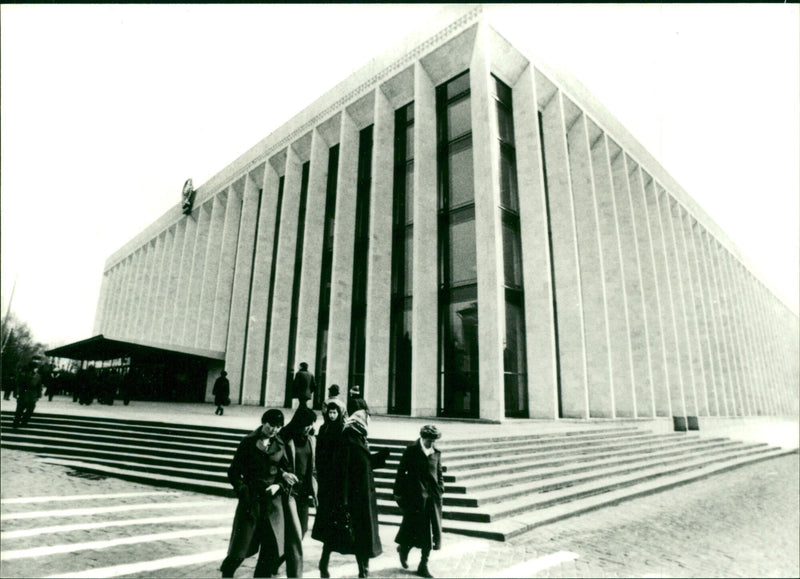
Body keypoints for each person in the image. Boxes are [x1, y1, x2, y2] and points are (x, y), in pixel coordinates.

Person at [221, 409, 298, 578]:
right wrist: (243, 491)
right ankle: (227, 572)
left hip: (272, 504)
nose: (274, 430)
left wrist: (279, 483)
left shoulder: (280, 444)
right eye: (271, 425)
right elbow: (233, 472)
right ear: (264, 422)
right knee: (240, 548)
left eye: (278, 427)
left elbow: (286, 470)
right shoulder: (248, 442)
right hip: (251, 502)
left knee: (270, 549)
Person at [332, 398, 390, 578]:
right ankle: (362, 569)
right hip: (356, 496)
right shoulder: (349, 439)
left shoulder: (359, 436)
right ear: (361, 421)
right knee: (361, 534)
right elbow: (345, 471)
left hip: (365, 494)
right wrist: (344, 499)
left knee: (365, 534)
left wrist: (380, 457)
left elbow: (365, 462)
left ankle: (364, 568)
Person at [394, 425, 444, 578]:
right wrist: (398, 494)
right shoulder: (411, 451)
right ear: (423, 438)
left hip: (433, 499)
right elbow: (401, 473)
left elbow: (439, 473)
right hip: (415, 498)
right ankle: (404, 549)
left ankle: (423, 564)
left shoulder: (436, 453)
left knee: (430, 532)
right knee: (412, 529)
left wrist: (440, 489)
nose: (432, 443)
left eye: (434, 441)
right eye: (429, 440)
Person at [278, 406, 318, 577]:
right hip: (289, 494)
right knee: (294, 537)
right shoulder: (284, 439)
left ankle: (274, 561)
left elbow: (313, 467)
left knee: (301, 532)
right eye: (307, 424)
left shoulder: (310, 440)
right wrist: (284, 474)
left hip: (304, 494)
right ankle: (295, 575)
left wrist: (315, 491)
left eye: (311, 425)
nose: (309, 428)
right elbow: (273, 463)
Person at [312, 401, 347, 577]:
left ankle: (324, 561)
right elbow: (318, 452)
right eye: (330, 413)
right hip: (326, 482)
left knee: (334, 524)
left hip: (338, 482)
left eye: (335, 413)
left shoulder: (343, 429)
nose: (332, 415)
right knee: (327, 524)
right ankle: (324, 561)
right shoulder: (323, 429)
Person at [13, 356, 43, 428]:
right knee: (20, 409)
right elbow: (20, 382)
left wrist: (38, 395)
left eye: (38, 361)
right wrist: (16, 392)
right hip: (24, 392)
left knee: (30, 409)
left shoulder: (38, 374)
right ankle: (16, 423)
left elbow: (39, 385)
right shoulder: (25, 370)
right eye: (36, 360)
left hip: (32, 394)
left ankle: (24, 422)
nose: (37, 362)